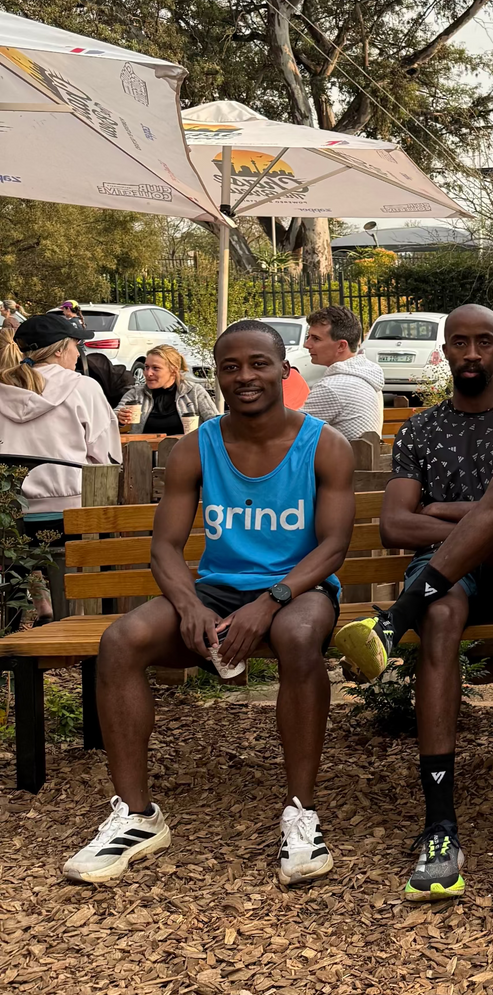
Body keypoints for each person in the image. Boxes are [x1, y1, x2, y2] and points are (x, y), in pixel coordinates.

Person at [61, 320, 355, 886]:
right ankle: (137, 817)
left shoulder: (324, 444)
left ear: (284, 369)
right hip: (217, 588)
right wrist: (190, 605)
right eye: (230, 366)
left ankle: (301, 813)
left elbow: (333, 546)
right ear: (215, 376)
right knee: (120, 641)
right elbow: (165, 547)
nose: (245, 376)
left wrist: (269, 601)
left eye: (259, 364)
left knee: (297, 637)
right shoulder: (198, 445)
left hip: (298, 587)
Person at [332, 305, 493, 900]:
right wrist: (485, 521)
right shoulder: (421, 430)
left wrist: (443, 510)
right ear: (444, 350)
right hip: (444, 577)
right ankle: (440, 824)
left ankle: (391, 622)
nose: (471, 353)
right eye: (460, 342)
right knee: (442, 614)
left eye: (484, 342)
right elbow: (395, 525)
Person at [0, 312, 121, 625]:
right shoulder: (84, 388)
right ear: (58, 350)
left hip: (12, 522)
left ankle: (27, 619)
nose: (78, 353)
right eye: (75, 345)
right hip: (72, 519)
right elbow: (106, 460)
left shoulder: (4, 389)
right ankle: (90, 618)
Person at [302, 304, 384, 442]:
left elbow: (290, 433)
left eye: (316, 339)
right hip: (364, 455)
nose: (307, 344)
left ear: (341, 346)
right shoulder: (366, 377)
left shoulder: (332, 387)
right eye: (308, 337)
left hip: (342, 456)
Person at [115, 344, 220, 435]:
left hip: (187, 451)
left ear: (173, 370)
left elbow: (216, 423)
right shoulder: (136, 394)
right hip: (142, 451)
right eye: (146, 367)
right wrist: (120, 418)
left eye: (155, 368)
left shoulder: (193, 392)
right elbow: (111, 418)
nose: (148, 373)